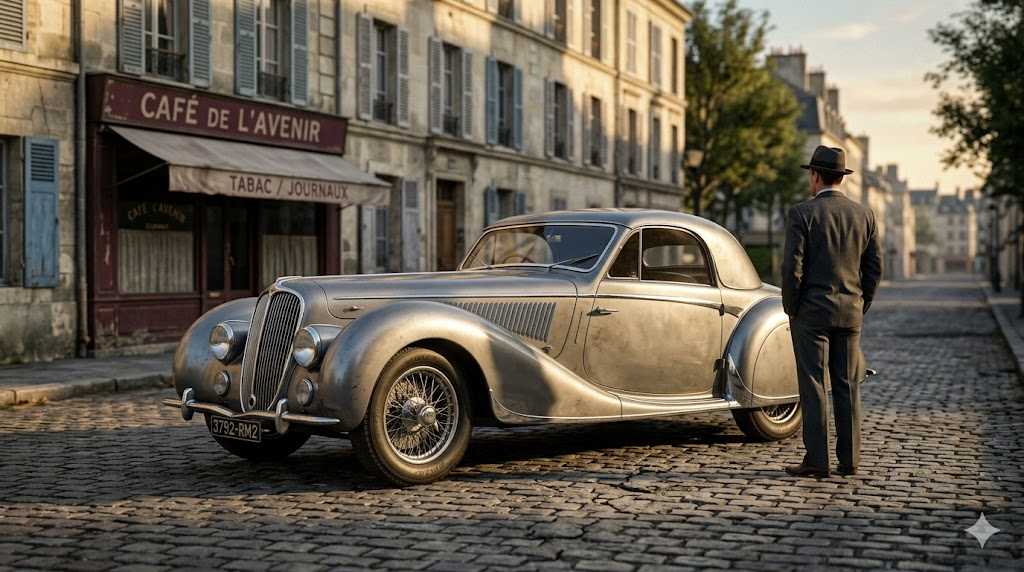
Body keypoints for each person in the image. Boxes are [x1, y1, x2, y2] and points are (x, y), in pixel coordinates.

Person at [781, 145, 882, 479]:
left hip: (811, 313)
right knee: (847, 384)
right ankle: (850, 460)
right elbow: (874, 267)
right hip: (850, 312)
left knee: (812, 383)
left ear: (814, 175)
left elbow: (792, 268)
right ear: (842, 177)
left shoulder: (802, 214)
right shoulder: (864, 215)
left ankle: (817, 460)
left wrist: (791, 307)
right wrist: (860, 302)